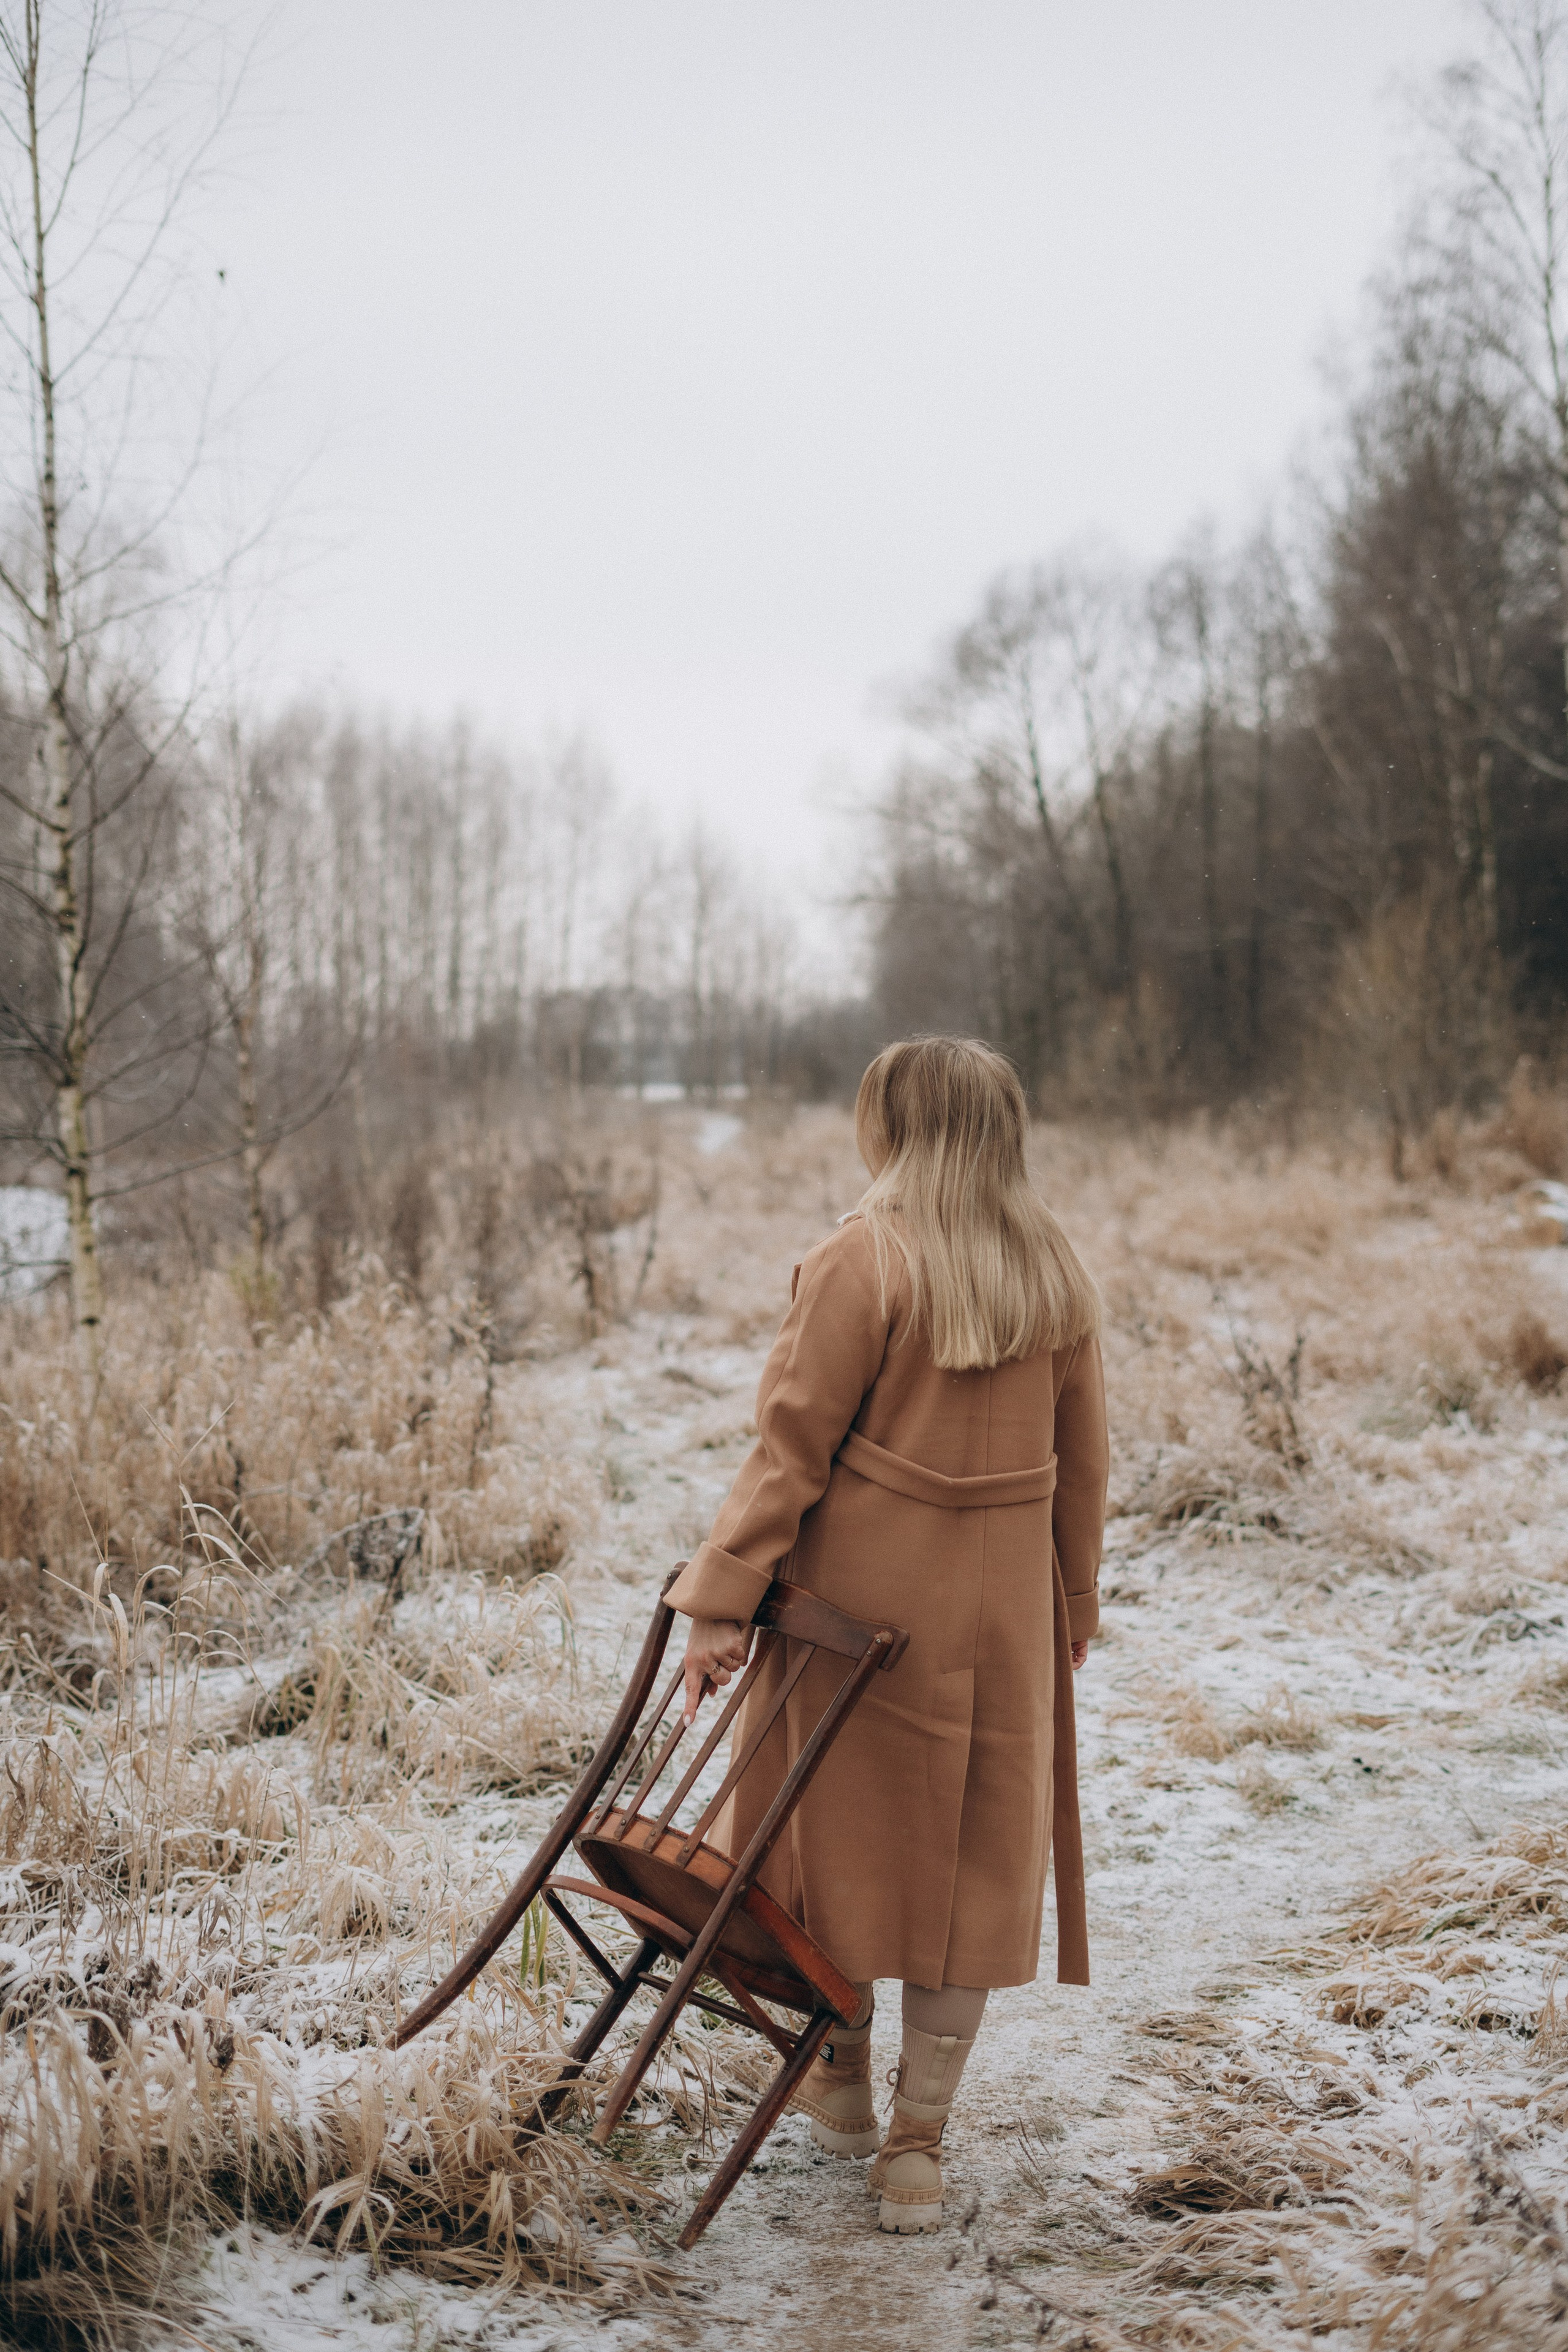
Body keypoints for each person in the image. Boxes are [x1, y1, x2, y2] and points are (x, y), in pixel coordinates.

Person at [666, 1036, 1108, 2236]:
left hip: (856, 1614)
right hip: (1002, 1611)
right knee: (969, 1854)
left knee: (830, 1844)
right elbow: (1082, 1472)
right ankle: (916, 2149)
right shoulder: (1051, 1271)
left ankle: (842, 2080)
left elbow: (787, 1448)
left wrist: (718, 1599)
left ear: (897, 1130)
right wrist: (1071, 1604)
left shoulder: (862, 1259)